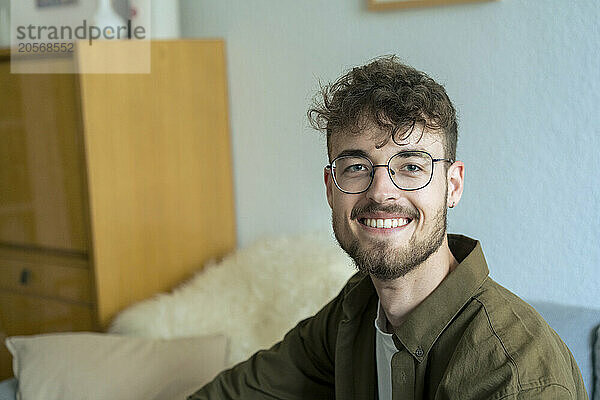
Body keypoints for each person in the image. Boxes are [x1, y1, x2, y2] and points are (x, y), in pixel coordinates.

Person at [188, 56, 588, 399]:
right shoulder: (355, 310)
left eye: (411, 166)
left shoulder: (514, 371)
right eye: (357, 167)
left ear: (453, 185)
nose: (381, 193)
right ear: (331, 188)